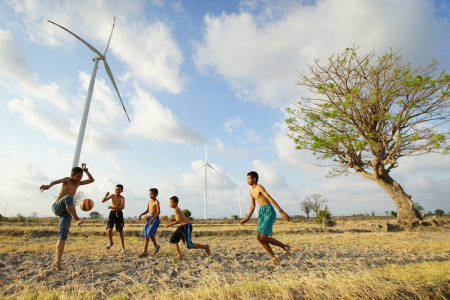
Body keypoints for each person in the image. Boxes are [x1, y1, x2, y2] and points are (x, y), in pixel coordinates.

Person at [39, 163, 94, 271]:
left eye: (81, 177)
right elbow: (55, 182)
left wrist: (86, 170)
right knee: (69, 197)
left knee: (63, 234)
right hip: (58, 207)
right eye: (78, 177)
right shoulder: (67, 180)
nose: (79, 179)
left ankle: (57, 263)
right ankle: (77, 219)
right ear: (72, 176)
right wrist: (48, 186)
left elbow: (91, 180)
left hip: (67, 211)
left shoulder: (78, 183)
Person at [240, 171, 291, 265]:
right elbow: (252, 206)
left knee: (263, 237)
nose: (247, 180)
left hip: (269, 211)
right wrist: (247, 218)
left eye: (248, 178)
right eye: (247, 178)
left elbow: (270, 199)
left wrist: (281, 211)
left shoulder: (259, 187)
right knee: (259, 238)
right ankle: (274, 258)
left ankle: (285, 246)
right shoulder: (250, 190)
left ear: (254, 179)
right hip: (262, 212)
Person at [165, 196, 210, 261]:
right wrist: (173, 220)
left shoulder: (176, 209)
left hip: (186, 226)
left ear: (175, 203)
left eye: (171, 203)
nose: (170, 204)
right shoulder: (176, 209)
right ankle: (179, 256)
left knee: (189, 245)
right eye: (169, 203)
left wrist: (169, 224)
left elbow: (179, 221)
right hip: (181, 227)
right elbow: (180, 219)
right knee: (173, 239)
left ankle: (206, 246)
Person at [102, 184, 126, 252]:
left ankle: (123, 247)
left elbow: (122, 207)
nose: (117, 191)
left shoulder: (122, 198)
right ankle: (111, 242)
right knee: (109, 229)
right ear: (114, 190)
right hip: (112, 214)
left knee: (120, 232)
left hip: (119, 214)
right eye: (116, 189)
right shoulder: (112, 196)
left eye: (119, 190)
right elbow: (103, 201)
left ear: (121, 191)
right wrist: (106, 196)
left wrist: (113, 207)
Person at [138, 188, 161, 257]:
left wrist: (153, 219)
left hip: (155, 218)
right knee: (146, 234)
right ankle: (145, 251)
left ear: (156, 195)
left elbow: (158, 212)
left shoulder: (156, 202)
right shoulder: (149, 202)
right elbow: (147, 210)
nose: (150, 195)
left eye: (151, 194)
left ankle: (155, 245)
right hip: (149, 218)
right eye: (149, 194)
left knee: (149, 233)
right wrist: (141, 214)